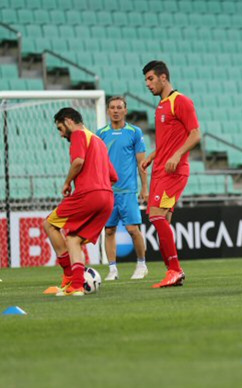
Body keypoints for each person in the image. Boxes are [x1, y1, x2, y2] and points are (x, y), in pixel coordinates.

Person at [43, 107, 117, 296]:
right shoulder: (98, 141)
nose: (61, 135)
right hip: (107, 198)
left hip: (88, 194)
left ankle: (68, 275)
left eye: (60, 128)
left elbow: (78, 161)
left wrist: (68, 182)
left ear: (68, 121)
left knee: (49, 224)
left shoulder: (78, 134)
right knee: (73, 239)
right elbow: (113, 176)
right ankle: (76, 285)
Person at [140, 60, 201, 288]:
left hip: (174, 172)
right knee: (161, 219)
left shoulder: (181, 101)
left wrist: (177, 156)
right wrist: (153, 155)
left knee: (156, 215)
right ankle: (172, 272)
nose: (147, 84)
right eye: (146, 80)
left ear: (163, 77)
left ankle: (175, 270)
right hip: (160, 170)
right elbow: (168, 140)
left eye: (150, 79)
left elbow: (195, 134)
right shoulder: (161, 106)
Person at [97, 96, 148, 281]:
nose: (116, 110)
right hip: (108, 191)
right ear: (108, 111)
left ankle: (142, 264)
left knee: (133, 229)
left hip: (128, 191)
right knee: (109, 231)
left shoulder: (134, 132)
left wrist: (145, 188)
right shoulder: (100, 134)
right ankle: (112, 269)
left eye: (119, 107)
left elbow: (141, 162)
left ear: (125, 110)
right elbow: (97, 163)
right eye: (112, 107)